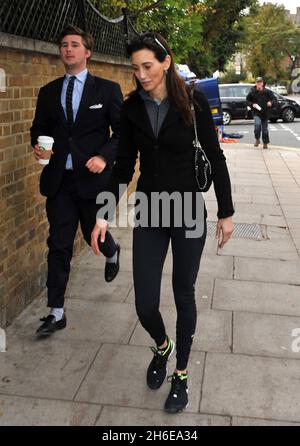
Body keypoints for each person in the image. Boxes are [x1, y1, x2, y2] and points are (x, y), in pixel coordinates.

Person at [91, 32, 234, 414]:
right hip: (151, 213)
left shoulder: (193, 101)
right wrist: (104, 213)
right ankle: (162, 346)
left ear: (166, 61)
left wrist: (226, 212)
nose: (141, 75)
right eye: (135, 68)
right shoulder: (131, 107)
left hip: (187, 211)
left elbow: (216, 158)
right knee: (144, 303)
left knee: (183, 293)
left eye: (147, 66)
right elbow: (123, 167)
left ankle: (182, 373)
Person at [30, 25, 123, 337]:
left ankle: (112, 251)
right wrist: (38, 147)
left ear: (87, 52)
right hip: (60, 181)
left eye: (74, 45)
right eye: (64, 45)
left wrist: (104, 156)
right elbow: (38, 128)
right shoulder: (48, 92)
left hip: (93, 180)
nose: (68, 49)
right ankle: (56, 311)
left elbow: (123, 134)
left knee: (91, 236)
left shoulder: (107, 90)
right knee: (58, 243)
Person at [246, 77, 276, 149]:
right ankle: (257, 139)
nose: (259, 84)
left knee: (265, 130)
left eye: (260, 82)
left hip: (265, 113)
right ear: (255, 83)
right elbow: (247, 101)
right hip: (256, 112)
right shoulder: (252, 92)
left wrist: (271, 102)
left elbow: (274, 99)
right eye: (257, 82)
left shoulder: (267, 92)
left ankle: (265, 143)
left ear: (262, 83)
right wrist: (252, 104)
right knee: (257, 125)